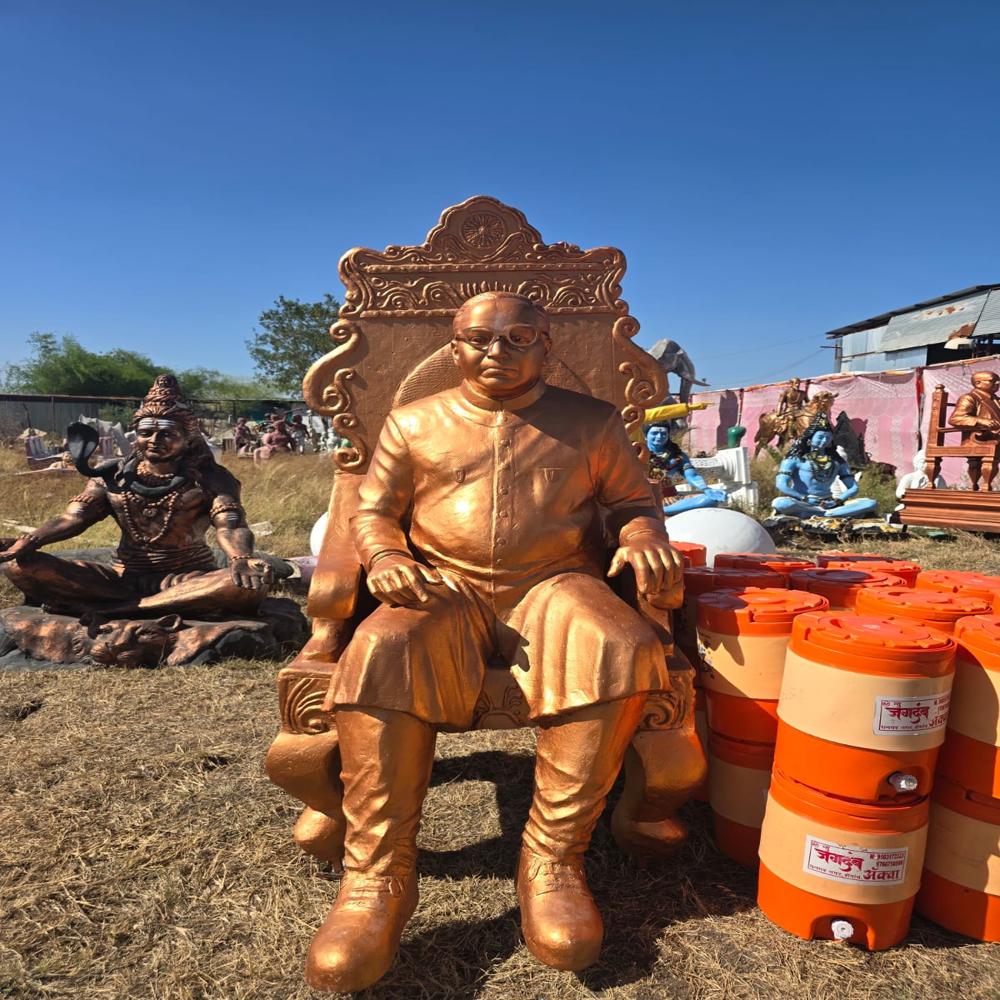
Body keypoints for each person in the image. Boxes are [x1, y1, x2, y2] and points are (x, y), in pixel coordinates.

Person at [305, 291, 683, 992]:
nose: (495, 353)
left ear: (546, 346)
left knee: (620, 642)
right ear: (454, 348)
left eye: (517, 339)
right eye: (479, 339)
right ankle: (377, 878)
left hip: (554, 582)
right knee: (380, 650)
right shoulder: (414, 422)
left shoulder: (591, 422)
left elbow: (634, 502)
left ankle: (552, 859)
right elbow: (374, 512)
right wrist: (387, 559)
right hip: (442, 586)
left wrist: (643, 537)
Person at [0, 375, 272, 617]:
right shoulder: (112, 475)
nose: (154, 439)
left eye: (167, 433)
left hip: (187, 578)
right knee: (18, 565)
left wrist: (240, 558)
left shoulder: (212, 477)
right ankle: (155, 604)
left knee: (247, 584)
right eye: (146, 432)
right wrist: (30, 540)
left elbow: (232, 525)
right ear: (135, 437)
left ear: (188, 439)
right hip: (120, 576)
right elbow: (74, 517)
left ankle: (125, 608)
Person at [771, 418, 876, 519]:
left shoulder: (836, 461)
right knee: (780, 503)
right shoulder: (794, 459)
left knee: (870, 503)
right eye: (820, 437)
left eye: (828, 438)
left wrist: (838, 501)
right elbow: (781, 485)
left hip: (829, 503)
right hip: (803, 502)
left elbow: (853, 487)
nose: (824, 441)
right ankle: (831, 514)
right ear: (810, 438)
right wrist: (804, 498)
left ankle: (820, 514)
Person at [645, 423, 726, 514]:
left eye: (664, 434)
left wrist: (706, 489)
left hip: (671, 499)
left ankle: (661, 511)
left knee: (709, 499)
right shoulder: (637, 453)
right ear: (646, 435)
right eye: (654, 433)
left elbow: (692, 476)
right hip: (644, 498)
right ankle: (655, 509)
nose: (659, 436)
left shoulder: (677, 455)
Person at [948, 370, 1000, 490]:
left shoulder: (997, 400)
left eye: (998, 380)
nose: (997, 383)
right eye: (993, 381)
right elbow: (955, 419)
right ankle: (985, 486)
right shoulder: (969, 398)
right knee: (995, 448)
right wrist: (981, 421)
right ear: (978, 383)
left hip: (995, 436)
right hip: (978, 438)